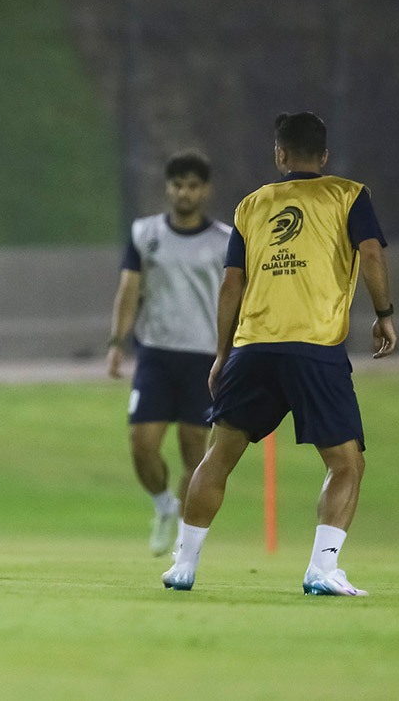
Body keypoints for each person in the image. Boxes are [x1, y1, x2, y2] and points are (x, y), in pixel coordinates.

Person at [162, 112, 396, 596]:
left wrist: (222, 353)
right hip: (315, 348)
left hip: (253, 349)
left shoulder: (251, 205)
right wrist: (384, 314)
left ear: (280, 154)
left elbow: (231, 283)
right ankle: (322, 569)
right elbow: (371, 253)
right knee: (346, 464)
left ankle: (183, 565)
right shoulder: (349, 195)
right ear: (324, 155)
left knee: (217, 457)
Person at [107, 150, 230, 556]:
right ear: (168, 188)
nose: (184, 193)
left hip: (204, 357)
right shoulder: (146, 233)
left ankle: (183, 539)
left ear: (205, 190)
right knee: (142, 445)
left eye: (193, 186)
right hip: (156, 354)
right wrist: (117, 343)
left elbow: (238, 295)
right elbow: (129, 290)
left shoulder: (225, 240)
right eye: (178, 185)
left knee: (195, 450)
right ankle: (163, 506)